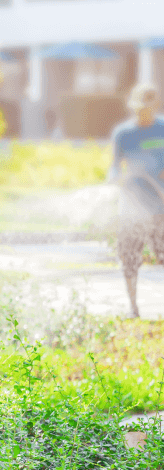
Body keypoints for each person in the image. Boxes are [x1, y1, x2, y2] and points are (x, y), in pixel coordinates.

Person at [107, 82, 164, 318]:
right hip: (131, 205)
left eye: (148, 108)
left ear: (155, 105)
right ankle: (133, 307)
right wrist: (114, 179)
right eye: (140, 108)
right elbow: (113, 167)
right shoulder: (123, 134)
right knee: (129, 256)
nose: (144, 113)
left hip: (160, 205)